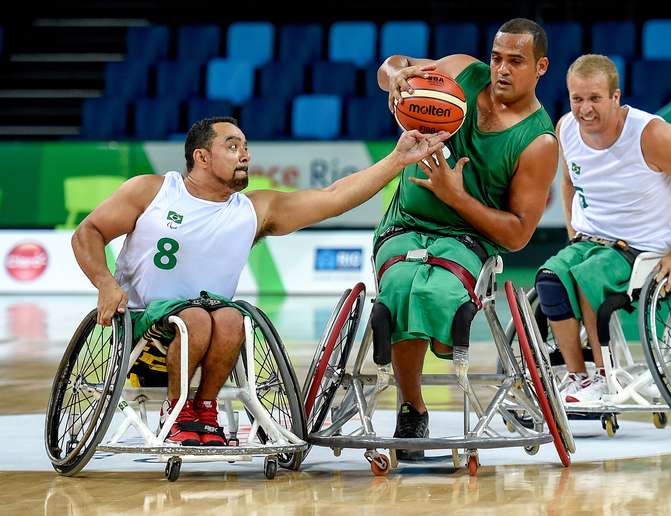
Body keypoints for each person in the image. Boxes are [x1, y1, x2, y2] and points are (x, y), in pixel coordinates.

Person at [71, 117, 449, 446]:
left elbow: (332, 196)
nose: (245, 154)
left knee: (233, 317)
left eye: (246, 146)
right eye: (232, 146)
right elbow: (88, 231)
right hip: (144, 327)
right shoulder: (153, 191)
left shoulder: (253, 210)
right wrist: (105, 282)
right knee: (200, 318)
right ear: (201, 157)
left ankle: (202, 410)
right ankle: (178, 410)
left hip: (211, 329)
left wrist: (397, 159)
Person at [374, 18, 558, 459]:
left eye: (516, 61)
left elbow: (517, 235)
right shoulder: (460, 70)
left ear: (541, 67)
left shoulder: (539, 141)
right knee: (400, 284)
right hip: (404, 223)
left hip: (469, 238)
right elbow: (391, 66)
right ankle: (411, 408)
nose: (502, 69)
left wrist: (455, 197)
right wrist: (396, 75)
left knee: (434, 288)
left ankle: (432, 341)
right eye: (497, 58)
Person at [536, 54, 671, 404]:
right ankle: (580, 379)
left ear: (616, 97)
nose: (585, 109)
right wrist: (572, 232)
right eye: (578, 99)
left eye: (595, 98)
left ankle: (606, 379)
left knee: (585, 275)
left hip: (642, 249)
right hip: (590, 241)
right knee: (550, 278)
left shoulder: (652, 135)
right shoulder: (565, 129)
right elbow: (568, 181)